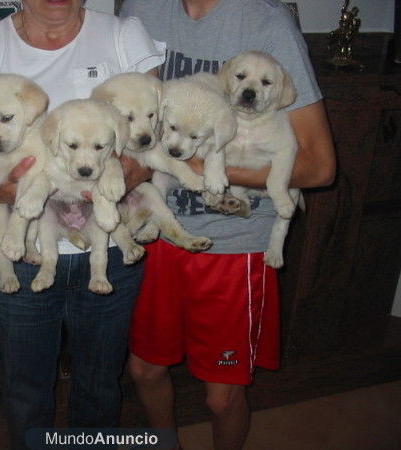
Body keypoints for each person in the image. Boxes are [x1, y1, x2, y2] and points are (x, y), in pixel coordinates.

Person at [0, 1, 164, 448]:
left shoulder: (124, 36)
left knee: (100, 383)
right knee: (24, 387)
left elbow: (151, 139)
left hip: (107, 245)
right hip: (18, 248)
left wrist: (124, 177)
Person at [120, 1, 336, 449]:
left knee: (221, 396)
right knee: (143, 368)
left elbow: (319, 168)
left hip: (234, 243)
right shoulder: (141, 9)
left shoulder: (266, 23)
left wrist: (209, 169)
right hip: (156, 226)